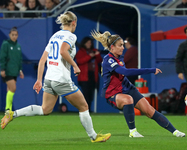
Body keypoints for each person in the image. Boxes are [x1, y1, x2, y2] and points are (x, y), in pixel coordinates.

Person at [1, 11, 111, 143]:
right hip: (61, 80)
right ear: (73, 23)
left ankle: (12, 114)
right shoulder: (70, 36)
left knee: (45, 109)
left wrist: (39, 80)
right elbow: (63, 51)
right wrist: (75, 66)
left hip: (49, 79)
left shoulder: (54, 36)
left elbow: (42, 60)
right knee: (84, 107)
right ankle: (94, 137)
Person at [91, 30, 185, 137]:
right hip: (113, 93)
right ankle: (133, 132)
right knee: (128, 99)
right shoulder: (108, 60)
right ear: (112, 47)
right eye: (120, 45)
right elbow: (125, 72)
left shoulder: (119, 57)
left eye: (123, 45)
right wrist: (150, 70)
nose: (123, 47)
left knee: (150, 111)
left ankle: (175, 132)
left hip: (128, 88)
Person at [0, 27, 24, 111]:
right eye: (12, 35)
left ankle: (8, 109)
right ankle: (7, 108)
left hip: (15, 71)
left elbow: (19, 59)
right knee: (13, 88)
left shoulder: (18, 46)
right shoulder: (6, 44)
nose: (14, 36)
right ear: (9, 35)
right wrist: (2, 69)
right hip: (7, 71)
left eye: (16, 35)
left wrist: (20, 70)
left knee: (9, 89)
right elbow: (2, 57)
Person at [75, 37, 102, 112]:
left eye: (90, 43)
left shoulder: (94, 50)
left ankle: (88, 109)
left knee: (91, 94)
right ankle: (85, 109)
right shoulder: (81, 52)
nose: (89, 44)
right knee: (85, 94)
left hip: (92, 76)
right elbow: (80, 61)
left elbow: (99, 60)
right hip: (84, 76)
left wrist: (97, 54)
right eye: (87, 43)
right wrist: (90, 56)